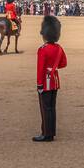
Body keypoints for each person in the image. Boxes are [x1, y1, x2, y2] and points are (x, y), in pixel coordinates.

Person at [34, 14, 66, 142]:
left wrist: (39, 85)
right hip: (55, 81)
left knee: (45, 108)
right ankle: (51, 132)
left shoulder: (43, 49)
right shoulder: (59, 48)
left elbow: (40, 69)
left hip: (46, 83)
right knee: (52, 108)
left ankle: (46, 134)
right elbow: (63, 64)